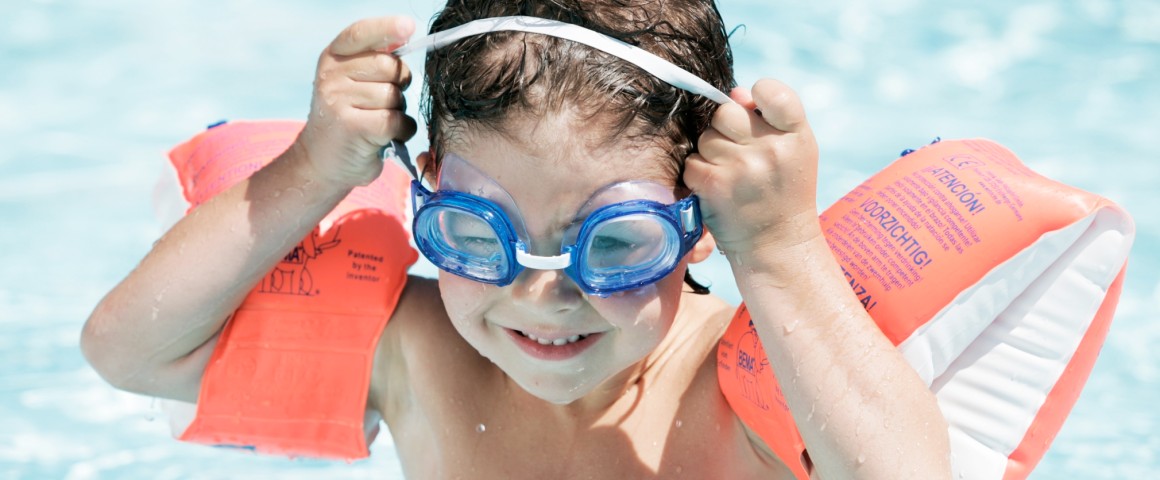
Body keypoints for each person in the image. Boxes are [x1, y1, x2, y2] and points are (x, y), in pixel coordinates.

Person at [81, 1, 951, 477]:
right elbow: (130, 354)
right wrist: (314, 169)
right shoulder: (416, 352)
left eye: (616, 244)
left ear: (702, 222)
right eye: (475, 233)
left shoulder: (743, 385)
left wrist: (782, 251)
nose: (543, 295)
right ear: (426, 186)